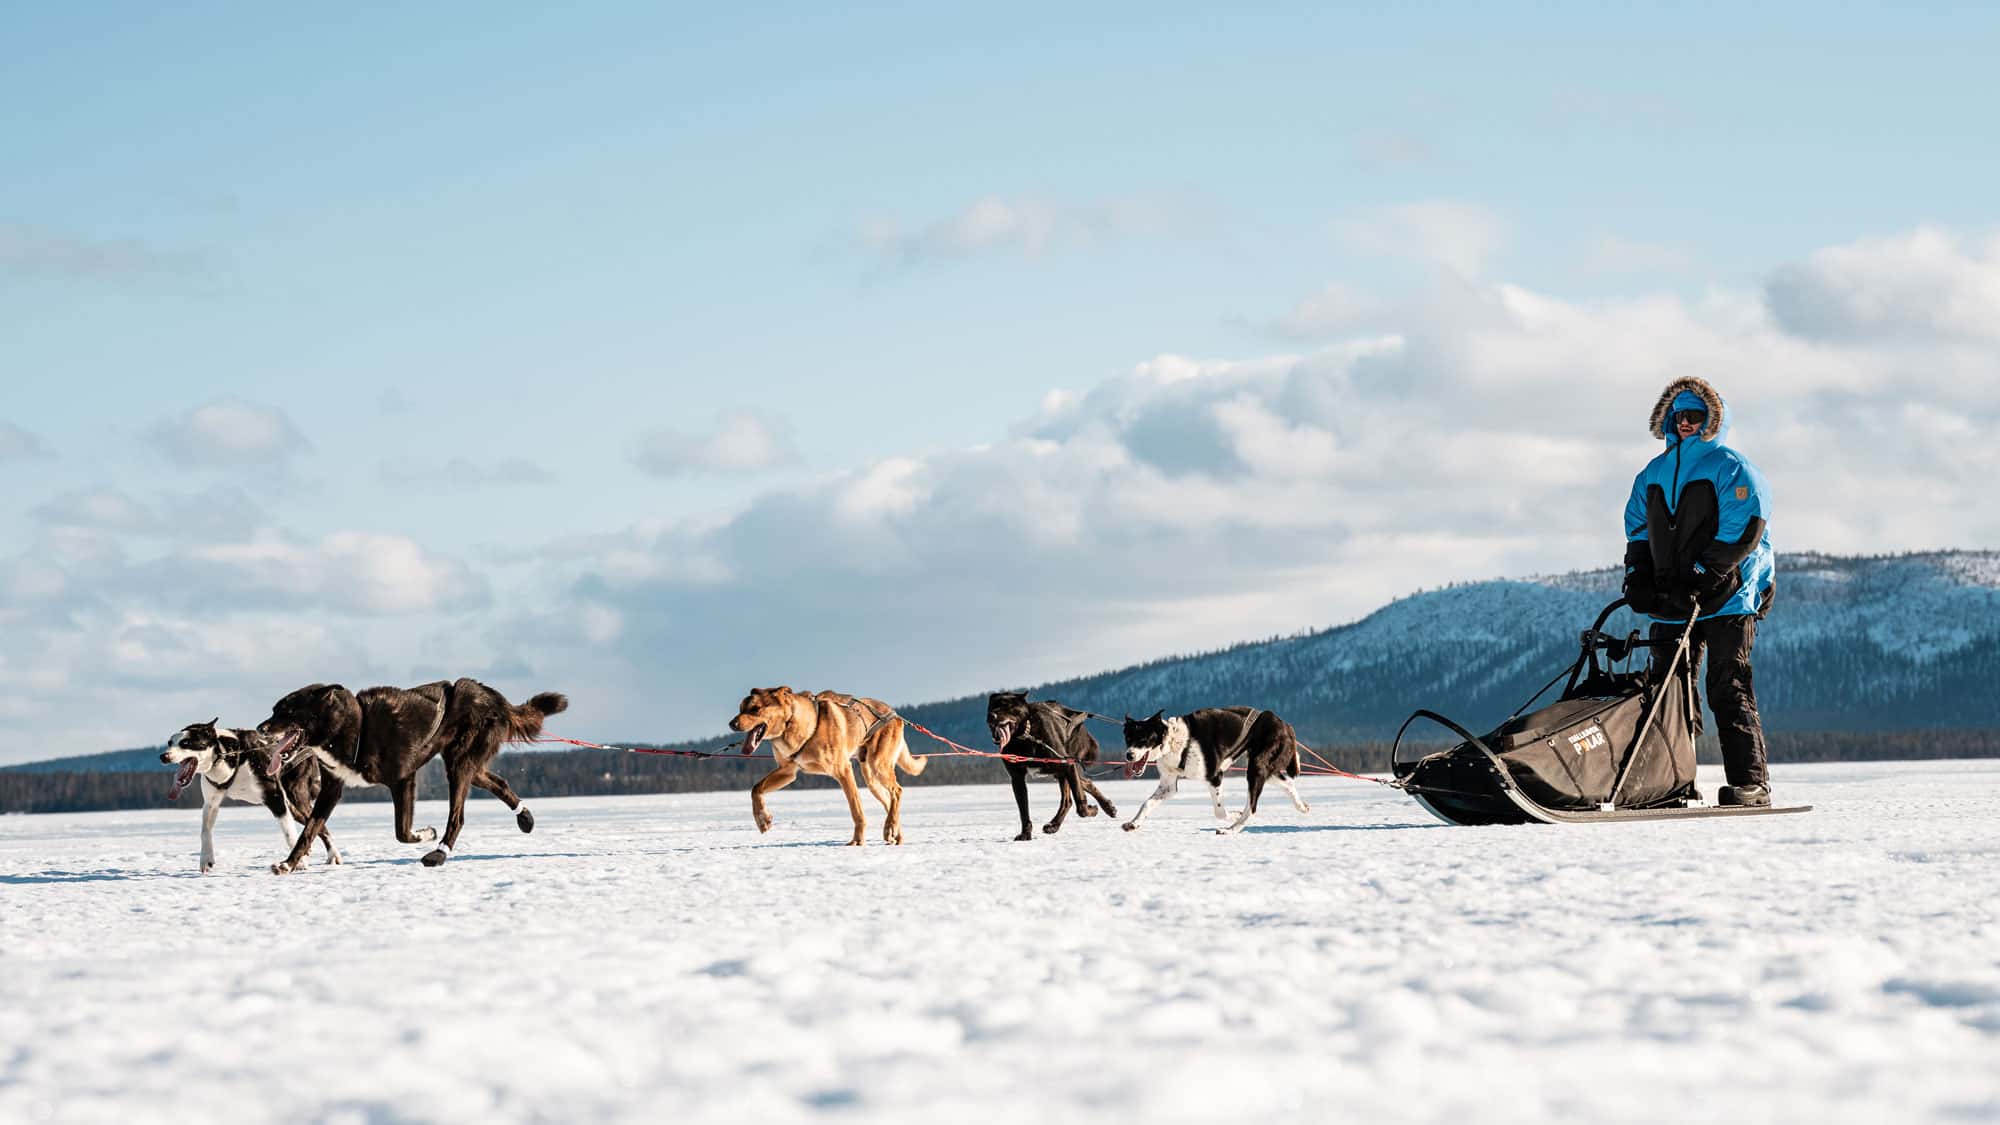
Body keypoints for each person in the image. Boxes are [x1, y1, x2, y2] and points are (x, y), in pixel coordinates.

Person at [1621, 377, 1776, 807]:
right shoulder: (1650, 474)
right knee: (1667, 692)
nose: (1686, 423)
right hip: (1674, 602)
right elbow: (1637, 528)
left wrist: (1701, 572)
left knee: (1726, 687)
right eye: (1679, 417)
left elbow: (1745, 529)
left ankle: (1751, 783)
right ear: (1668, 421)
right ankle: (1672, 781)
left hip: (1729, 596)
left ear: (1711, 421)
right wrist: (1638, 575)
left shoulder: (1732, 467)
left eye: (1695, 416)